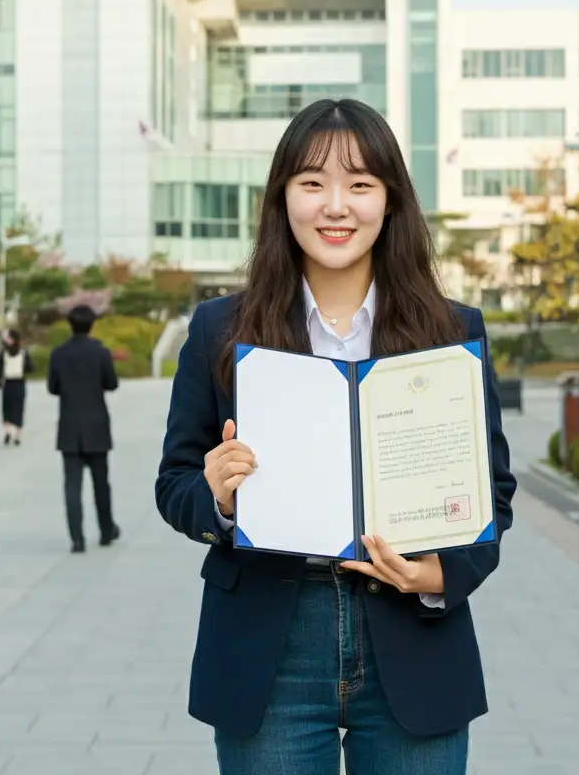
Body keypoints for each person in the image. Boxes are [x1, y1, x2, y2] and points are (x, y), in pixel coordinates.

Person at [156, 98, 516, 775]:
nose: (335, 206)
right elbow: (174, 484)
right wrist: (218, 496)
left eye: (359, 184)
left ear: (389, 200)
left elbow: (491, 489)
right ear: (283, 198)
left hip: (414, 638)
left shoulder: (451, 330)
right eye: (312, 183)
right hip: (271, 648)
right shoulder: (221, 329)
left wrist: (440, 573)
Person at [47, 304, 120, 553]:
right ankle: (106, 530)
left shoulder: (58, 353)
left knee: (72, 486)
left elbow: (52, 387)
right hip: (97, 427)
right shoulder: (100, 352)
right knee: (101, 484)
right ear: (92, 324)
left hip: (69, 428)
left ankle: (77, 539)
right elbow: (112, 383)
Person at [0, 329, 33, 445]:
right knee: (19, 408)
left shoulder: (4, 353)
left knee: (6, 408)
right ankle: (17, 435)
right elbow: (30, 367)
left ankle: (7, 432)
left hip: (8, 383)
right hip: (19, 382)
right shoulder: (23, 353)